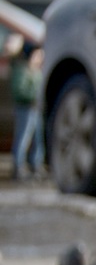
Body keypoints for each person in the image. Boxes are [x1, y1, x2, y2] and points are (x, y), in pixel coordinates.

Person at [11, 41, 44, 180]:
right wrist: (32, 96)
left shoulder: (37, 71)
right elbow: (20, 90)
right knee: (23, 137)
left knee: (37, 138)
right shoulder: (22, 70)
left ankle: (36, 164)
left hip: (36, 108)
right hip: (26, 107)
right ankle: (18, 166)